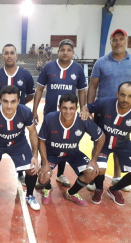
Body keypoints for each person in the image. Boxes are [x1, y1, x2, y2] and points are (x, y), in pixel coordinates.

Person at [87, 29, 131, 192]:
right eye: (114, 39)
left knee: (120, 141)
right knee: (99, 141)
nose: (118, 42)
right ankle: (94, 173)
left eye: (121, 39)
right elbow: (93, 86)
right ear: (110, 42)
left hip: (126, 111)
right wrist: (90, 109)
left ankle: (117, 175)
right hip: (103, 111)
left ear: (126, 40)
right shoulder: (101, 62)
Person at [33, 39, 87, 193]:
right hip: (50, 113)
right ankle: (45, 170)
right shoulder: (49, 67)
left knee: (66, 141)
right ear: (58, 51)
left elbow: (82, 90)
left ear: (72, 52)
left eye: (68, 50)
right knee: (49, 142)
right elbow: (39, 89)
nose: (65, 52)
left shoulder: (77, 69)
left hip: (69, 115)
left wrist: (83, 107)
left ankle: (61, 174)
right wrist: (35, 109)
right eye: (62, 49)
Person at [81, 81, 131, 206]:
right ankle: (99, 189)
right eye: (122, 95)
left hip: (123, 145)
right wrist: (85, 110)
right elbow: (87, 107)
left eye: (130, 96)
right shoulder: (105, 102)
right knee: (99, 168)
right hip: (104, 143)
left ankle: (114, 189)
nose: (125, 99)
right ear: (117, 94)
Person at [38, 93, 105, 205]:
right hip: (52, 153)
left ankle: (72, 193)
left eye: (71, 108)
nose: (68, 112)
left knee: (92, 172)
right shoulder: (50, 118)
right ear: (59, 108)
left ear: (76, 108)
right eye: (64, 108)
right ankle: (47, 188)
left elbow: (101, 137)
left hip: (73, 153)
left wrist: (94, 160)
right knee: (43, 177)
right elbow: (41, 141)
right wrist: (44, 162)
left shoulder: (82, 119)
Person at [0, 44, 35, 186]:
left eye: (12, 53)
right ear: (2, 56)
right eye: (6, 53)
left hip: (18, 118)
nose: (9, 55)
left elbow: (30, 95)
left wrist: (18, 106)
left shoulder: (25, 74)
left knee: (19, 142)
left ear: (16, 56)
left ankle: (21, 172)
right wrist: (1, 107)